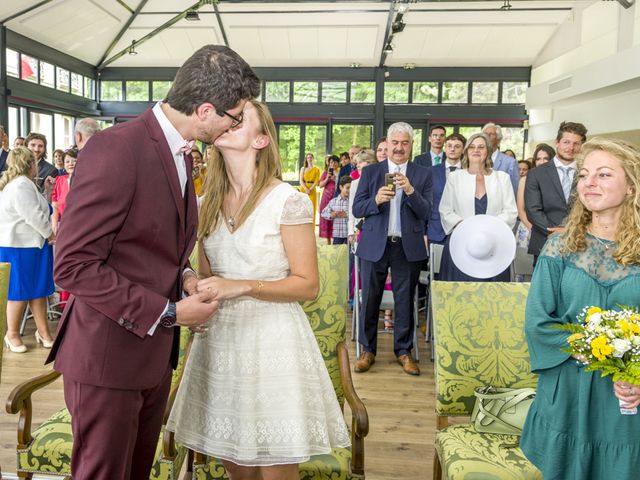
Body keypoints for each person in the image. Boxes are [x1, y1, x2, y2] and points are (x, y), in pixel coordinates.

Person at [48, 45, 260, 480]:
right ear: (205, 110)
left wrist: (184, 277)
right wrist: (168, 312)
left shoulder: (180, 152)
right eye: (234, 117)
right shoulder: (115, 148)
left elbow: (153, 247)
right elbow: (72, 266)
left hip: (151, 357)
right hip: (107, 358)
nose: (235, 125)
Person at [167, 100, 350, 479]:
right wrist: (194, 289)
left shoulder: (289, 201)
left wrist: (242, 286)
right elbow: (205, 278)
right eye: (227, 116)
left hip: (273, 343)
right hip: (221, 344)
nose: (229, 121)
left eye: (240, 118)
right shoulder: (205, 204)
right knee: (239, 471)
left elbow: (307, 284)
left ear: (261, 140)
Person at [521, 138, 640, 480]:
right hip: (569, 390)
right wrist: (602, 348)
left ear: (630, 186)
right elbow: (538, 324)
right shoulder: (559, 247)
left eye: (603, 175)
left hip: (624, 398)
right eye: (584, 174)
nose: (589, 182)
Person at [352, 122, 432, 376]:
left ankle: (404, 351)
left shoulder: (422, 174)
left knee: (405, 300)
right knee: (370, 300)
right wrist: (376, 200)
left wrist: (409, 190)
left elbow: (426, 211)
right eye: (395, 143)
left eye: (404, 143)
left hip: (406, 246)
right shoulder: (371, 172)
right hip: (375, 244)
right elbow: (357, 209)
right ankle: (367, 350)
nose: (399, 148)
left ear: (411, 145)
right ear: (387, 144)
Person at [438, 132, 517, 281]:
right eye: (472, 147)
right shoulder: (455, 177)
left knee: (491, 297)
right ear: (466, 151)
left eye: (481, 147)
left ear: (488, 150)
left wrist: (487, 227)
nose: (476, 150)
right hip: (461, 244)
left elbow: (511, 212)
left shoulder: (502, 178)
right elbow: (445, 210)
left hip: (494, 247)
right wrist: (468, 227)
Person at [0, 147, 56, 353]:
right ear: (29, 164)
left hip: (31, 246)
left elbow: (40, 209)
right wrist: (51, 234)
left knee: (38, 290)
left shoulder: (26, 185)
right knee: (19, 291)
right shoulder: (20, 186)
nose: (37, 166)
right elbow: (34, 216)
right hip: (19, 247)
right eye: (34, 162)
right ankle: (12, 334)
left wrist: (47, 193)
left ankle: (43, 332)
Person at [524, 121, 587, 265]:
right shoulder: (536, 173)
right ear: (557, 143)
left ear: (581, 146)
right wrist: (556, 232)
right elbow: (533, 209)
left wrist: (572, 231)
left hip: (579, 240)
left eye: (576, 143)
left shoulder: (587, 173)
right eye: (566, 142)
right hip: (544, 239)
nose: (571, 148)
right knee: (544, 286)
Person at [427, 132, 466, 247]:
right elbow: (425, 202)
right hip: (436, 230)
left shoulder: (469, 173)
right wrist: (423, 232)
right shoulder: (430, 172)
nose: (452, 149)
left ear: (463, 150)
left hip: (462, 229)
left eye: (457, 146)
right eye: (449, 146)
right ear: (445, 148)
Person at [515, 144, 555, 250]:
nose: (541, 162)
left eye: (546, 158)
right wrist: (533, 229)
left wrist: (551, 231)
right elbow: (521, 210)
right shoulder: (525, 180)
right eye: (538, 159)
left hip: (553, 230)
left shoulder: (557, 180)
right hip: (529, 228)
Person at [482, 123, 519, 195]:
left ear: (498, 140)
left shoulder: (510, 162)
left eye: (490, 134)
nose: (486, 136)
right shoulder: (475, 159)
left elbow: (514, 189)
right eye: (485, 134)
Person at [51, 148, 78, 235]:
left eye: (74, 161)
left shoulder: (85, 181)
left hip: (81, 225)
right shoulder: (59, 180)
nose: (71, 164)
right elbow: (55, 205)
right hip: (63, 225)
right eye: (67, 161)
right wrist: (54, 224)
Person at [321, 175, 352, 245]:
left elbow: (357, 215)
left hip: (349, 235)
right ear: (341, 187)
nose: (349, 190)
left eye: (351, 188)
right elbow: (323, 213)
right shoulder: (333, 201)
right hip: (337, 235)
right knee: (337, 254)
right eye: (347, 188)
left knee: (348, 254)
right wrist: (331, 215)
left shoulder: (352, 202)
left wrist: (347, 215)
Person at [318, 155, 339, 244]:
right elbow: (320, 185)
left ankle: (336, 239)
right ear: (328, 163)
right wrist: (327, 178)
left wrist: (335, 178)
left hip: (336, 198)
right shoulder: (325, 172)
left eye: (334, 162)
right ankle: (328, 241)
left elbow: (342, 185)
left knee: (336, 217)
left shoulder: (340, 172)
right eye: (331, 162)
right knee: (326, 217)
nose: (332, 164)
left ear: (338, 163)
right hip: (326, 198)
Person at [299, 152, 321, 221]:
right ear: (306, 159)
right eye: (308, 157)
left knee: (311, 209)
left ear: (313, 158)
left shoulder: (316, 169)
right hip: (303, 189)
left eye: (311, 157)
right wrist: (306, 189)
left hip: (312, 189)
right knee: (303, 209)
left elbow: (316, 181)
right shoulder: (303, 168)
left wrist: (310, 189)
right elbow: (301, 181)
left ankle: (312, 229)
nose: (309, 159)